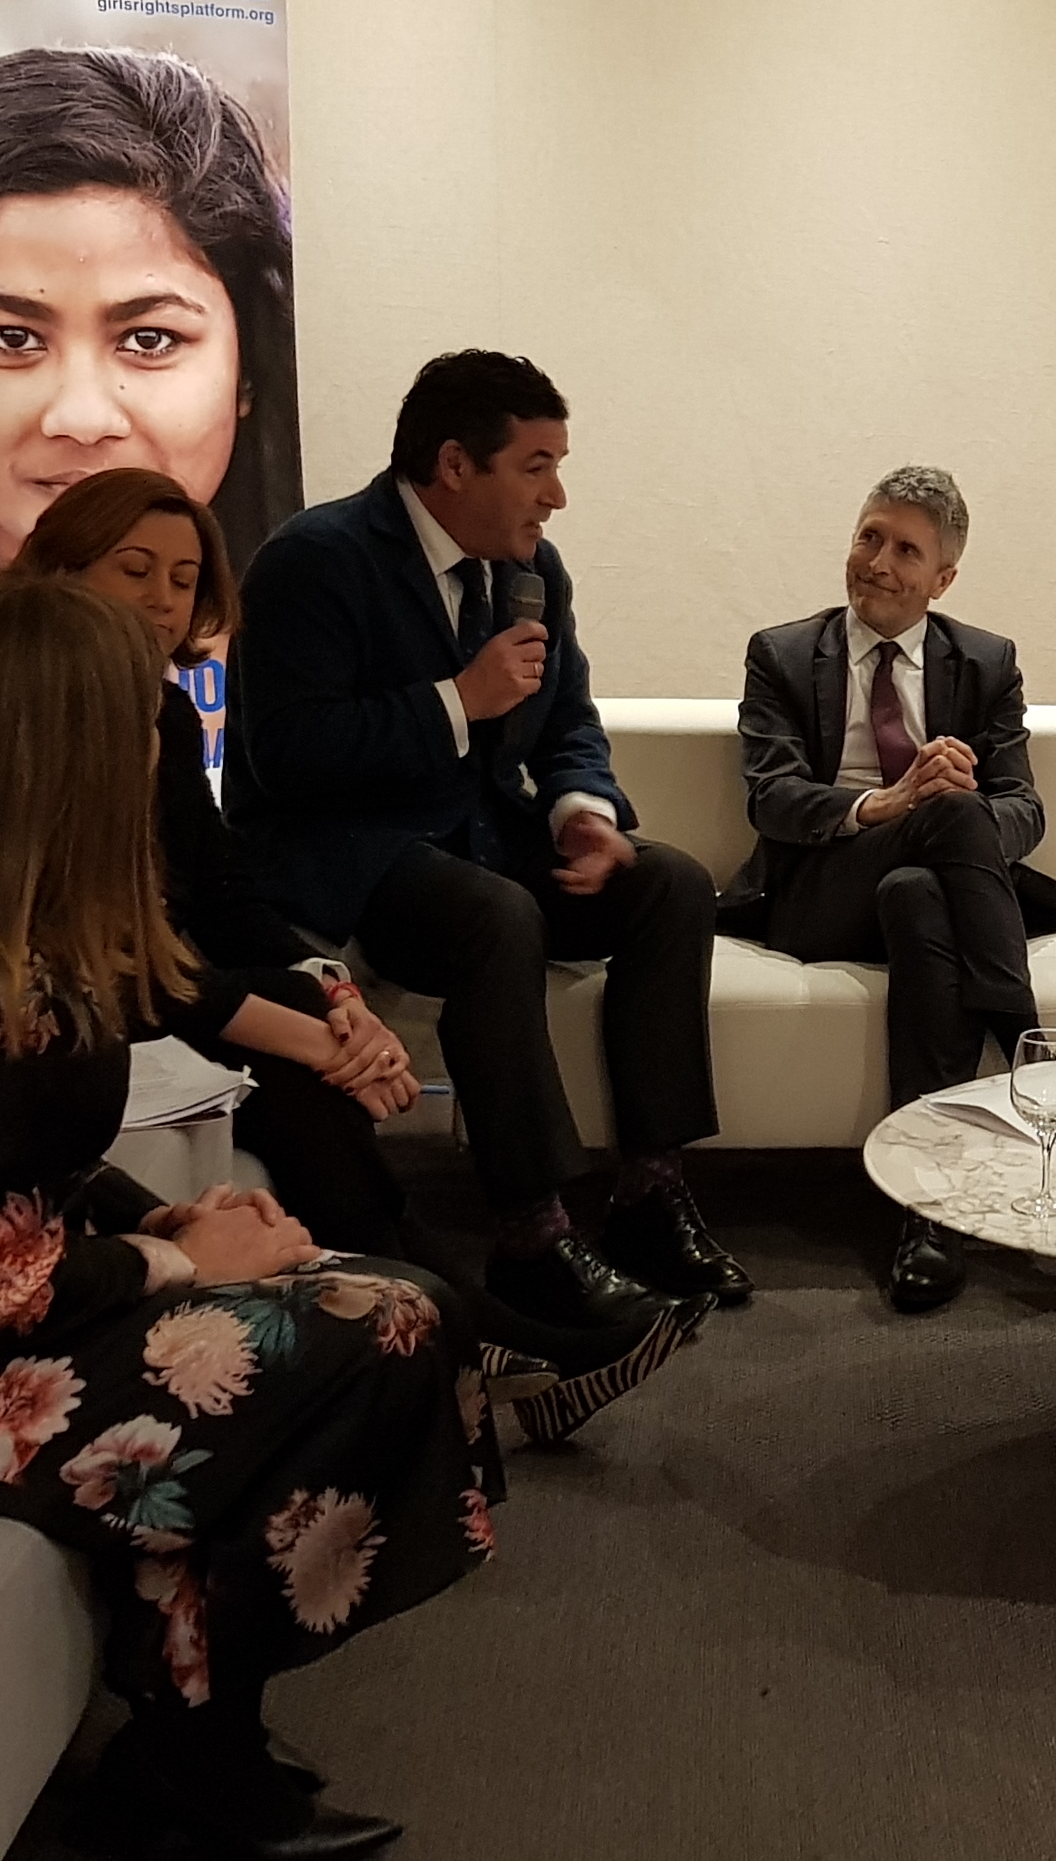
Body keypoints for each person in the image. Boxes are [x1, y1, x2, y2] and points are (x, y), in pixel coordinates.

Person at [0, 577, 487, 1860]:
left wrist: (169, 1217)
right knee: (383, 1330)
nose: (155, 753)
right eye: (137, 725)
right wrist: (182, 1256)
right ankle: (190, 1739)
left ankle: (195, 1718)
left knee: (378, 1305)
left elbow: (9, 1179)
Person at [10, 468, 698, 1428]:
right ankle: (482, 1332)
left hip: (160, 978)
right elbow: (96, 967)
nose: (163, 601)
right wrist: (310, 1029)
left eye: (182, 579)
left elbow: (220, 889)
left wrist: (326, 987)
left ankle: (509, 1309)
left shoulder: (161, 711)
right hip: (69, 1007)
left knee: (661, 883)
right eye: (135, 571)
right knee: (319, 1049)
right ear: (60, 573)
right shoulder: (21, 719)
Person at [222, 349, 750, 1329]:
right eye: (537, 466)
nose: (557, 496)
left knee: (671, 883)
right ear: (456, 464)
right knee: (496, 914)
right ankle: (532, 1235)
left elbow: (568, 721)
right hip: (349, 854)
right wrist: (455, 701)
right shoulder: (314, 558)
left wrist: (583, 812)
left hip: (477, 840)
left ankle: (649, 1192)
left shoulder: (532, 571)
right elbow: (286, 755)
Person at [0, 46, 304, 742]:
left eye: (149, 339)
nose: (81, 418)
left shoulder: (316, 662)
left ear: (247, 371)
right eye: (10, 338)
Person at [720, 466, 1056, 1312]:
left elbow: (1024, 807)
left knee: (919, 889)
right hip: (819, 894)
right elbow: (770, 796)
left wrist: (962, 806)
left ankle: (925, 1209)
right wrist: (885, 805)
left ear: (942, 578)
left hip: (928, 890)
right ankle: (1024, 1036)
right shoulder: (781, 654)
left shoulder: (985, 663)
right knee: (942, 817)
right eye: (869, 537)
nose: (877, 562)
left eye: (906, 550)